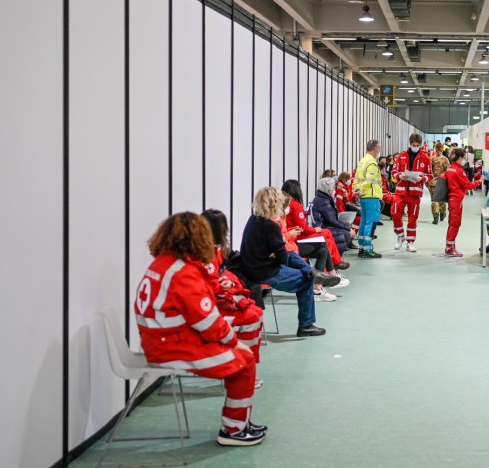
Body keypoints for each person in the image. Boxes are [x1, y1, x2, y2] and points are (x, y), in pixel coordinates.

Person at [134, 212, 265, 446]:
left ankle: (240, 422)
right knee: (244, 362)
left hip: (161, 341)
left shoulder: (162, 263)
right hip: (172, 348)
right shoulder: (183, 272)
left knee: (240, 354)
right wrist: (234, 342)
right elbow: (208, 322)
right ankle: (234, 429)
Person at [239, 187, 340, 337]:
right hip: (265, 272)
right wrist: (277, 252)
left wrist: (276, 252)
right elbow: (282, 259)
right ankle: (306, 324)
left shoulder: (254, 219)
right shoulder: (271, 226)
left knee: (291, 254)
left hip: (251, 267)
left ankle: (313, 272)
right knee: (305, 280)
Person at [200, 209, 264, 362]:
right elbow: (203, 287)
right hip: (206, 307)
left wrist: (225, 283)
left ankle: (248, 359)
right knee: (252, 317)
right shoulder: (202, 253)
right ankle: (243, 361)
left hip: (213, 300)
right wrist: (223, 288)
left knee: (257, 311)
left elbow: (213, 280)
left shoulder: (214, 251)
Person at [390, 133, 432, 252]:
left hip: (415, 193)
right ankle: (400, 236)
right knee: (395, 213)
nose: (415, 147)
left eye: (418, 145)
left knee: (412, 218)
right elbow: (394, 171)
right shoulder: (401, 156)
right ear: (410, 144)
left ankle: (410, 242)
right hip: (401, 191)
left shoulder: (425, 158)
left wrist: (421, 179)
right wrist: (400, 176)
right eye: (414, 145)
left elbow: (430, 175)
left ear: (421, 145)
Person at [442, 147, 480, 257]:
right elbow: (468, 185)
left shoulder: (449, 168)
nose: (465, 160)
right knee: (455, 224)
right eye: (464, 158)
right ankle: (449, 249)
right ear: (460, 158)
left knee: (451, 224)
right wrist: (479, 181)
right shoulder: (459, 171)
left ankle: (451, 246)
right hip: (456, 199)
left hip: (451, 199)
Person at [311, 176, 358, 252]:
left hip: (323, 225)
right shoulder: (325, 202)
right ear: (329, 190)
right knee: (346, 235)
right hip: (322, 227)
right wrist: (348, 228)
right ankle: (336, 256)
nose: (334, 189)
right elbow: (332, 221)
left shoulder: (322, 198)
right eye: (333, 187)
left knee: (345, 231)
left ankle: (336, 256)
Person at [355, 139, 383, 258]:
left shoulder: (362, 161)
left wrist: (357, 190)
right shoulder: (372, 163)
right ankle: (368, 249)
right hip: (371, 196)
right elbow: (368, 181)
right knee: (370, 223)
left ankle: (361, 248)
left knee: (363, 222)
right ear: (376, 149)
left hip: (363, 197)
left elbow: (356, 179)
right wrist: (361, 190)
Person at [429, 141, 450, 224]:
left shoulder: (431, 159)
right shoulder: (445, 159)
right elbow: (448, 171)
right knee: (441, 199)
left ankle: (435, 216)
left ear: (435, 148)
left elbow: (429, 171)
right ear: (442, 149)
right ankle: (442, 213)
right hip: (442, 181)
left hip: (433, 182)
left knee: (434, 200)